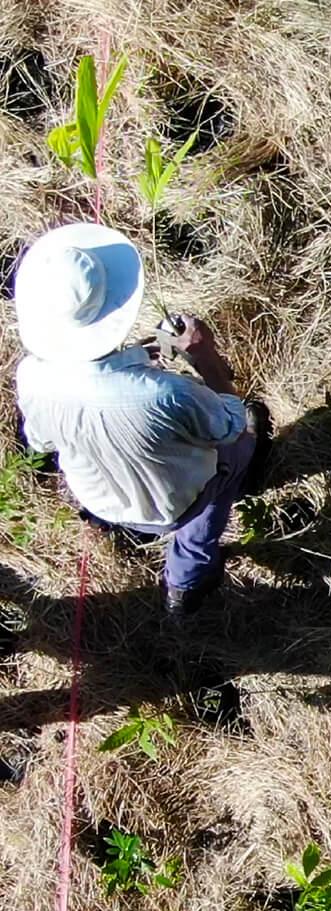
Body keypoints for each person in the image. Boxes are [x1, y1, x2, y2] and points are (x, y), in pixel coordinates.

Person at [12, 222, 257, 617]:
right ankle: (186, 584)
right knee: (241, 445)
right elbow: (228, 423)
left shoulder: (32, 377)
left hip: (98, 499)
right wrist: (206, 358)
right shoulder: (166, 393)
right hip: (174, 503)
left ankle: (141, 544)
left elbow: (41, 442)